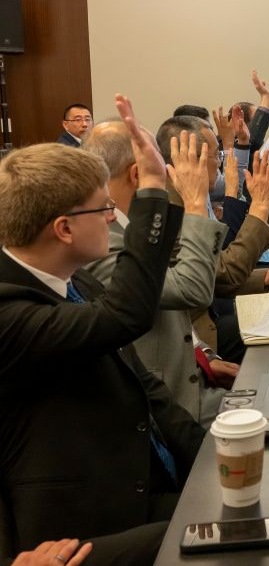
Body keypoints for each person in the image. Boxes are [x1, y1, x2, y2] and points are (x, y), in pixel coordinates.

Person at [0, 95, 204, 560]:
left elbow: (147, 388)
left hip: (142, 481)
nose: (114, 217)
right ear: (64, 229)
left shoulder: (78, 281)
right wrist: (153, 184)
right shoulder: (8, 310)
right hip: (83, 522)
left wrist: (213, 454)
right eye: (103, 209)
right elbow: (126, 316)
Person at [83, 121, 236, 428]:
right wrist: (195, 203)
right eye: (159, 164)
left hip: (193, 380)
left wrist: (206, 357)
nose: (168, 173)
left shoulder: (133, 223)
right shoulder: (99, 243)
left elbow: (170, 312)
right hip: (170, 411)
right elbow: (192, 289)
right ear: (138, 173)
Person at [155, 115, 269, 362]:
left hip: (207, 317)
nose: (221, 165)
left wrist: (264, 276)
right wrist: (260, 207)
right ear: (196, 158)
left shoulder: (182, 196)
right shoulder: (171, 208)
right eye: (218, 156)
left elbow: (213, 272)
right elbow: (226, 272)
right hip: (194, 338)